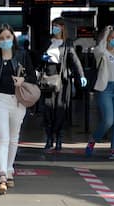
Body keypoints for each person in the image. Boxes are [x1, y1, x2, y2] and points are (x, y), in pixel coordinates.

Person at [0, 24, 37, 194]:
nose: (5, 41)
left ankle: (9, 170)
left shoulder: (22, 55)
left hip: (18, 101)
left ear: (13, 38)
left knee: (14, 138)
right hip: (0, 100)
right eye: (1, 38)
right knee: (3, 138)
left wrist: (23, 80)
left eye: (8, 37)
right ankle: (2, 175)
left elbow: (33, 76)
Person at [41, 17, 87, 151]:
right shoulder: (47, 42)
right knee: (48, 109)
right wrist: (43, 58)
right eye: (53, 26)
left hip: (62, 81)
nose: (55, 28)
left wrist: (81, 76)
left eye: (57, 26)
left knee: (60, 110)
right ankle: (49, 138)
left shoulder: (67, 44)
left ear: (62, 28)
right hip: (48, 81)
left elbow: (75, 61)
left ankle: (59, 137)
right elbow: (38, 57)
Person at [85, 25, 114, 160]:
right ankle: (93, 140)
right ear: (107, 39)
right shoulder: (101, 53)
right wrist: (105, 34)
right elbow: (99, 48)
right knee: (108, 120)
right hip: (105, 89)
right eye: (112, 38)